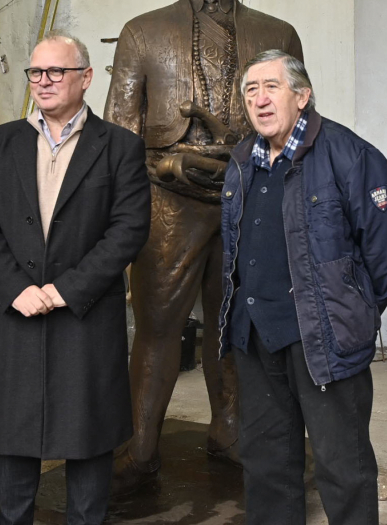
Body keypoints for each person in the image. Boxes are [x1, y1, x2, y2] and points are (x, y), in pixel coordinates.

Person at [103, 0, 303, 491]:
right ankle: (140, 442)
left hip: (250, 198)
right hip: (166, 201)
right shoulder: (143, 32)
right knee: (158, 325)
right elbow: (118, 132)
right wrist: (146, 185)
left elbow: (297, 126)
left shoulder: (277, 32)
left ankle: (230, 430)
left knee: (236, 321)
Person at [0, 32, 150, 525]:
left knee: (88, 437)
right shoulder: (2, 142)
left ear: (86, 78)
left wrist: (67, 289)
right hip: (17, 306)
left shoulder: (120, 147)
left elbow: (129, 228)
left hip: (85, 312)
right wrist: (13, 287)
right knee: (15, 435)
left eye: (56, 72)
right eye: (35, 73)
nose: (43, 82)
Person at [218, 50, 387, 524]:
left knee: (343, 469)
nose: (259, 100)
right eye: (250, 90)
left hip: (322, 338)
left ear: (301, 96)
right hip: (256, 337)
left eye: (271, 87)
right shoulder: (243, 160)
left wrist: (351, 312)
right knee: (266, 467)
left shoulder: (351, 155)